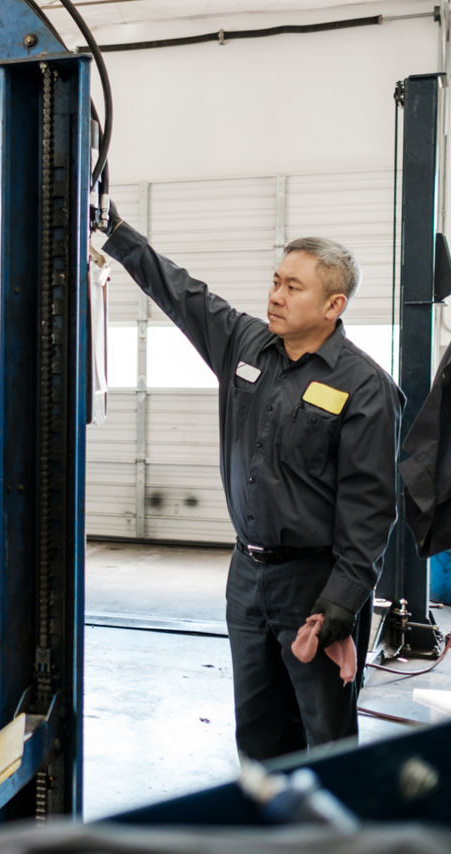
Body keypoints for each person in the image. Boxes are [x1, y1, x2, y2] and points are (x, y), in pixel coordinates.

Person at [101, 202, 403, 760]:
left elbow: (371, 508)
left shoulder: (364, 388)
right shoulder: (245, 346)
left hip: (314, 585)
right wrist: (116, 233)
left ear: (334, 305)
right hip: (247, 576)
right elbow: (182, 294)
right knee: (258, 728)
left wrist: (343, 600)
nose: (277, 296)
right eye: (275, 281)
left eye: (294, 287)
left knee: (326, 737)